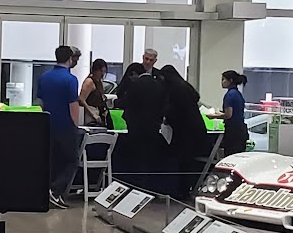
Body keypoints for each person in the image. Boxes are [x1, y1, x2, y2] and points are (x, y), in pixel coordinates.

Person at [35, 44, 83, 207]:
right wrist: (76, 126)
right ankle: (56, 191)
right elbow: (73, 106)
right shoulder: (70, 79)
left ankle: (48, 191)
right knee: (71, 160)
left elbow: (41, 102)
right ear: (70, 58)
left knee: (52, 161)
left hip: (47, 124)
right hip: (65, 126)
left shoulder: (44, 77)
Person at [113, 62, 171, 192]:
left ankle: (137, 186)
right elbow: (164, 105)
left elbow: (126, 102)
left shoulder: (135, 85)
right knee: (150, 157)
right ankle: (150, 186)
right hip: (153, 126)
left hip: (136, 126)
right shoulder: (159, 85)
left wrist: (114, 103)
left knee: (136, 157)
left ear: (134, 74)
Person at [161, 65, 210, 198]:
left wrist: (166, 118)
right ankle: (189, 189)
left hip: (184, 132)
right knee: (190, 161)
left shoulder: (173, 89)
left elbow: (174, 111)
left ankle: (181, 191)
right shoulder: (185, 86)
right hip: (196, 129)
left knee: (181, 161)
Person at [215, 71, 250, 160]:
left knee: (231, 158)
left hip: (233, 133)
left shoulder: (229, 95)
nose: (221, 82)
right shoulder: (237, 94)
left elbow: (228, 115)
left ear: (230, 80)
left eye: (223, 79)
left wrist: (214, 116)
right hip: (241, 131)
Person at [81, 58, 112, 129]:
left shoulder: (99, 81)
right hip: (91, 112)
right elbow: (81, 99)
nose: (102, 74)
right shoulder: (89, 82)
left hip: (99, 112)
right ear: (95, 70)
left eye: (104, 71)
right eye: (101, 71)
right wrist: (92, 113)